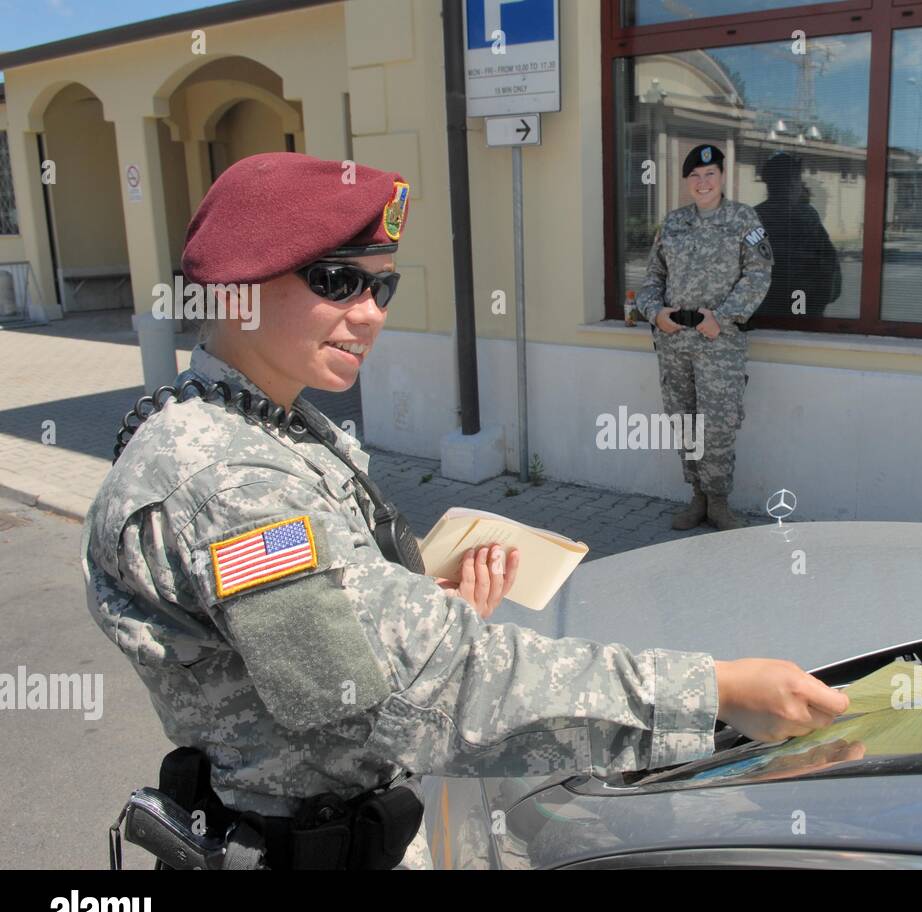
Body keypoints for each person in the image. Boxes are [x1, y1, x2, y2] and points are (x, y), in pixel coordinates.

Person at [81, 152, 847, 870]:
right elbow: (405, 694)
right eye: (337, 282)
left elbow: (335, 642)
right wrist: (718, 693)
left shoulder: (261, 419)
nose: (371, 313)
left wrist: (417, 602)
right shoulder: (224, 481)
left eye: (383, 287)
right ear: (236, 289)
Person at [637, 144, 773, 531]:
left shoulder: (744, 220)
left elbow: (758, 275)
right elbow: (652, 280)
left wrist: (724, 317)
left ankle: (719, 502)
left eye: (709, 174)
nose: (702, 182)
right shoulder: (673, 223)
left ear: (723, 177)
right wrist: (655, 314)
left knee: (717, 423)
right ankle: (697, 497)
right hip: (675, 342)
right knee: (684, 421)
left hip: (719, 344)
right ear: (686, 182)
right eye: (695, 176)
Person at [755, 152, 841, 320]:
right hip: (798, 311)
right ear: (791, 183)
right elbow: (828, 267)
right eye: (796, 179)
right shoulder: (805, 216)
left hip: (764, 314)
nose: (799, 185)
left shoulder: (754, 216)